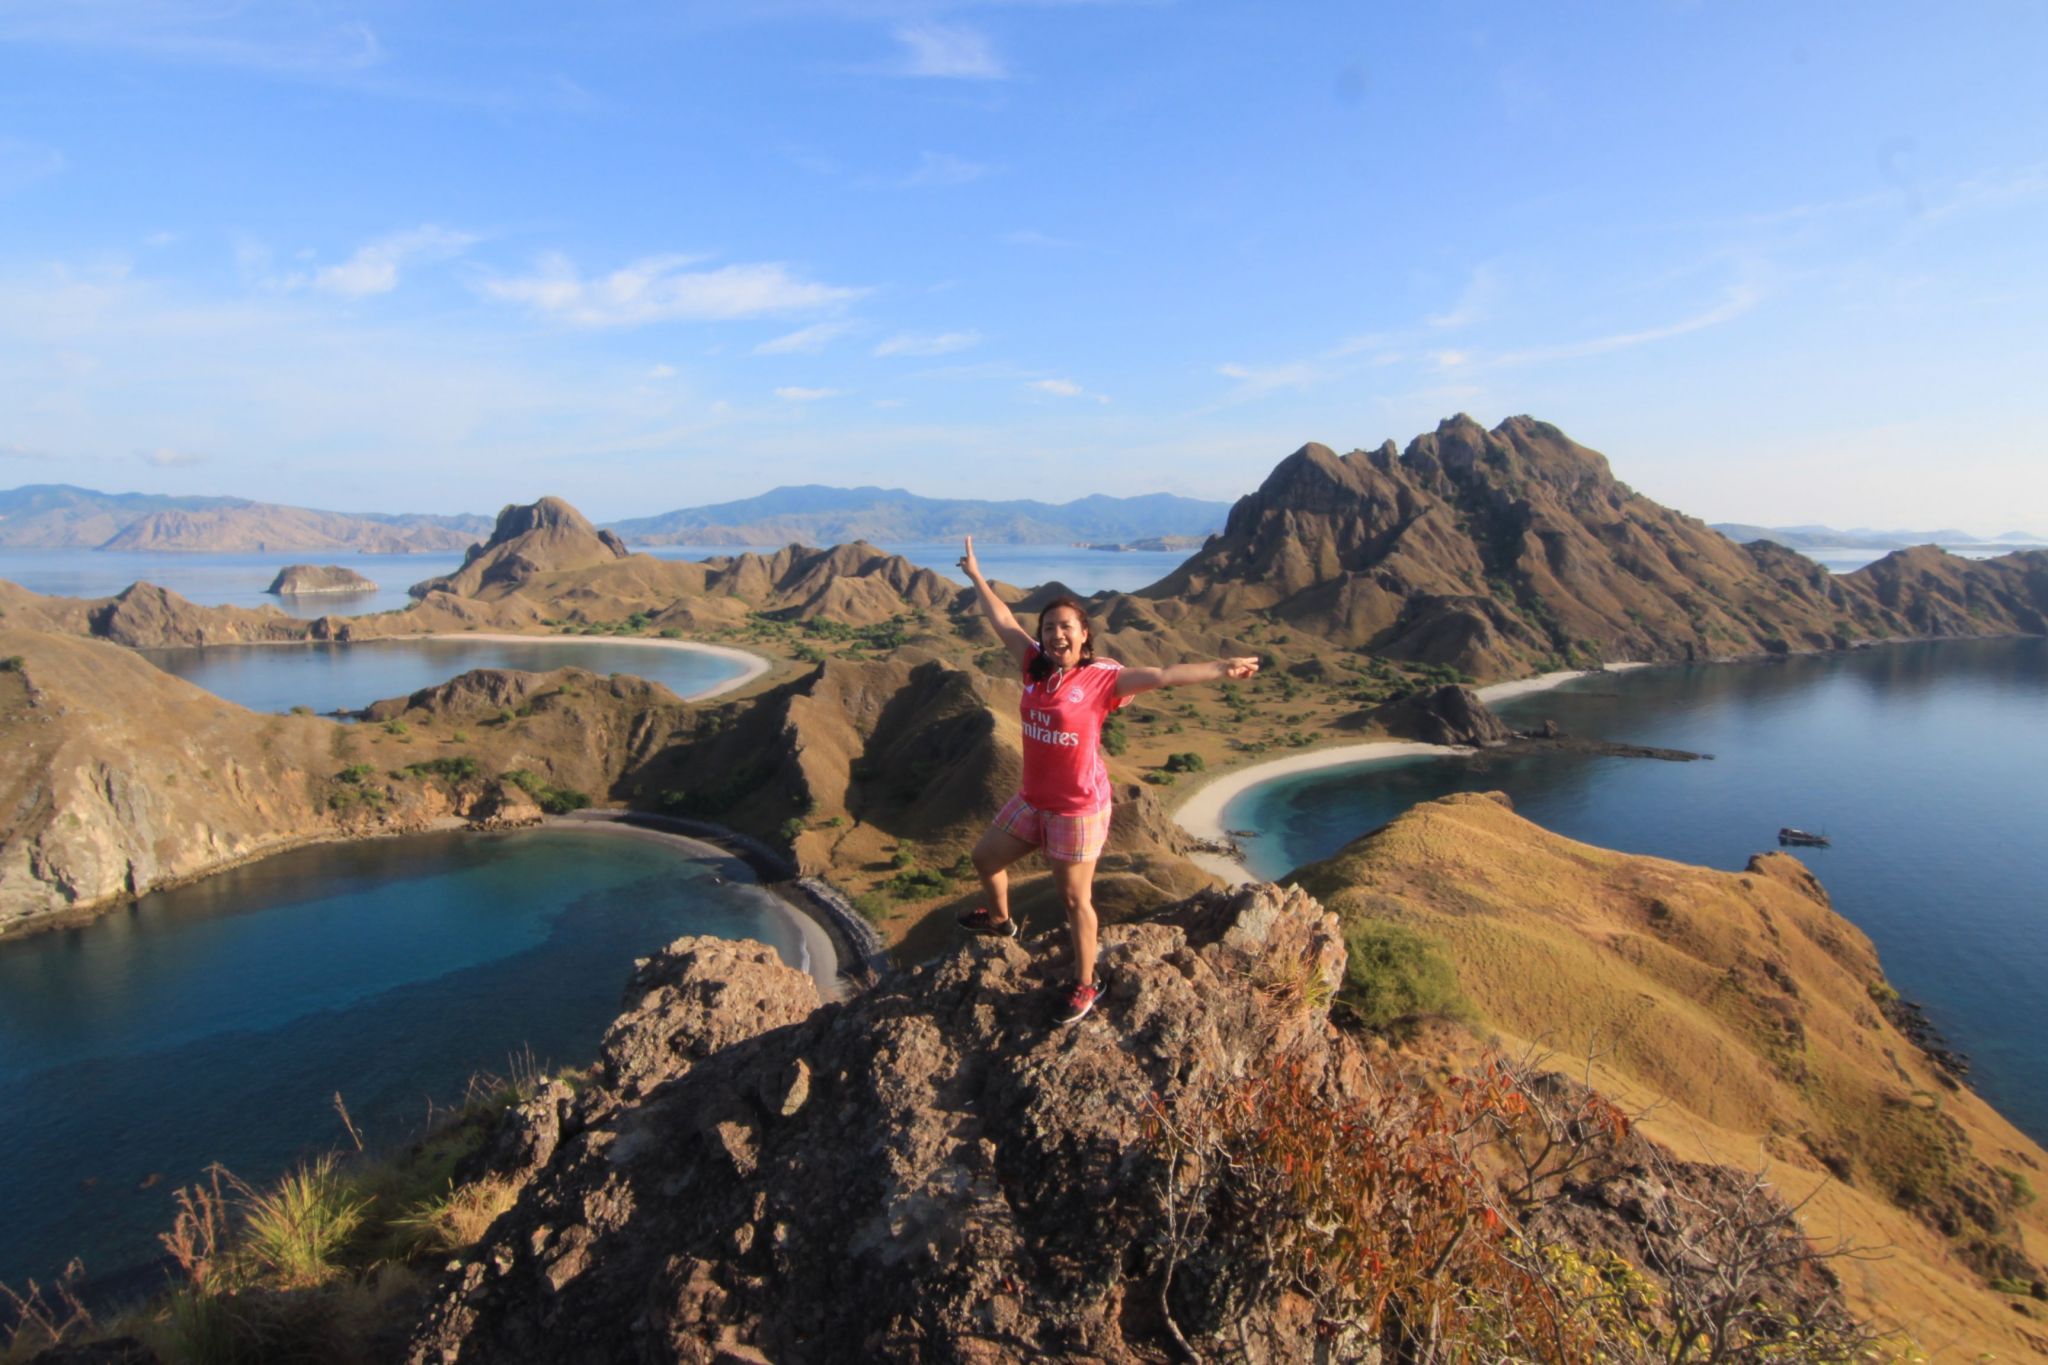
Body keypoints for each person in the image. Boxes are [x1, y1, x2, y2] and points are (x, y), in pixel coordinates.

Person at [955, 535, 1260, 1024]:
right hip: (1033, 800)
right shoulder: (1034, 667)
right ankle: (1001, 923)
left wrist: (1222, 668)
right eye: (1050, 627)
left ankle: (1084, 983)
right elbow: (1004, 621)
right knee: (985, 858)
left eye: (1067, 628)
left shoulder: (1102, 679)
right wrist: (974, 575)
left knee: (1075, 899)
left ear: (1084, 634)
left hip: (1077, 808)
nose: (1057, 635)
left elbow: (1162, 673)